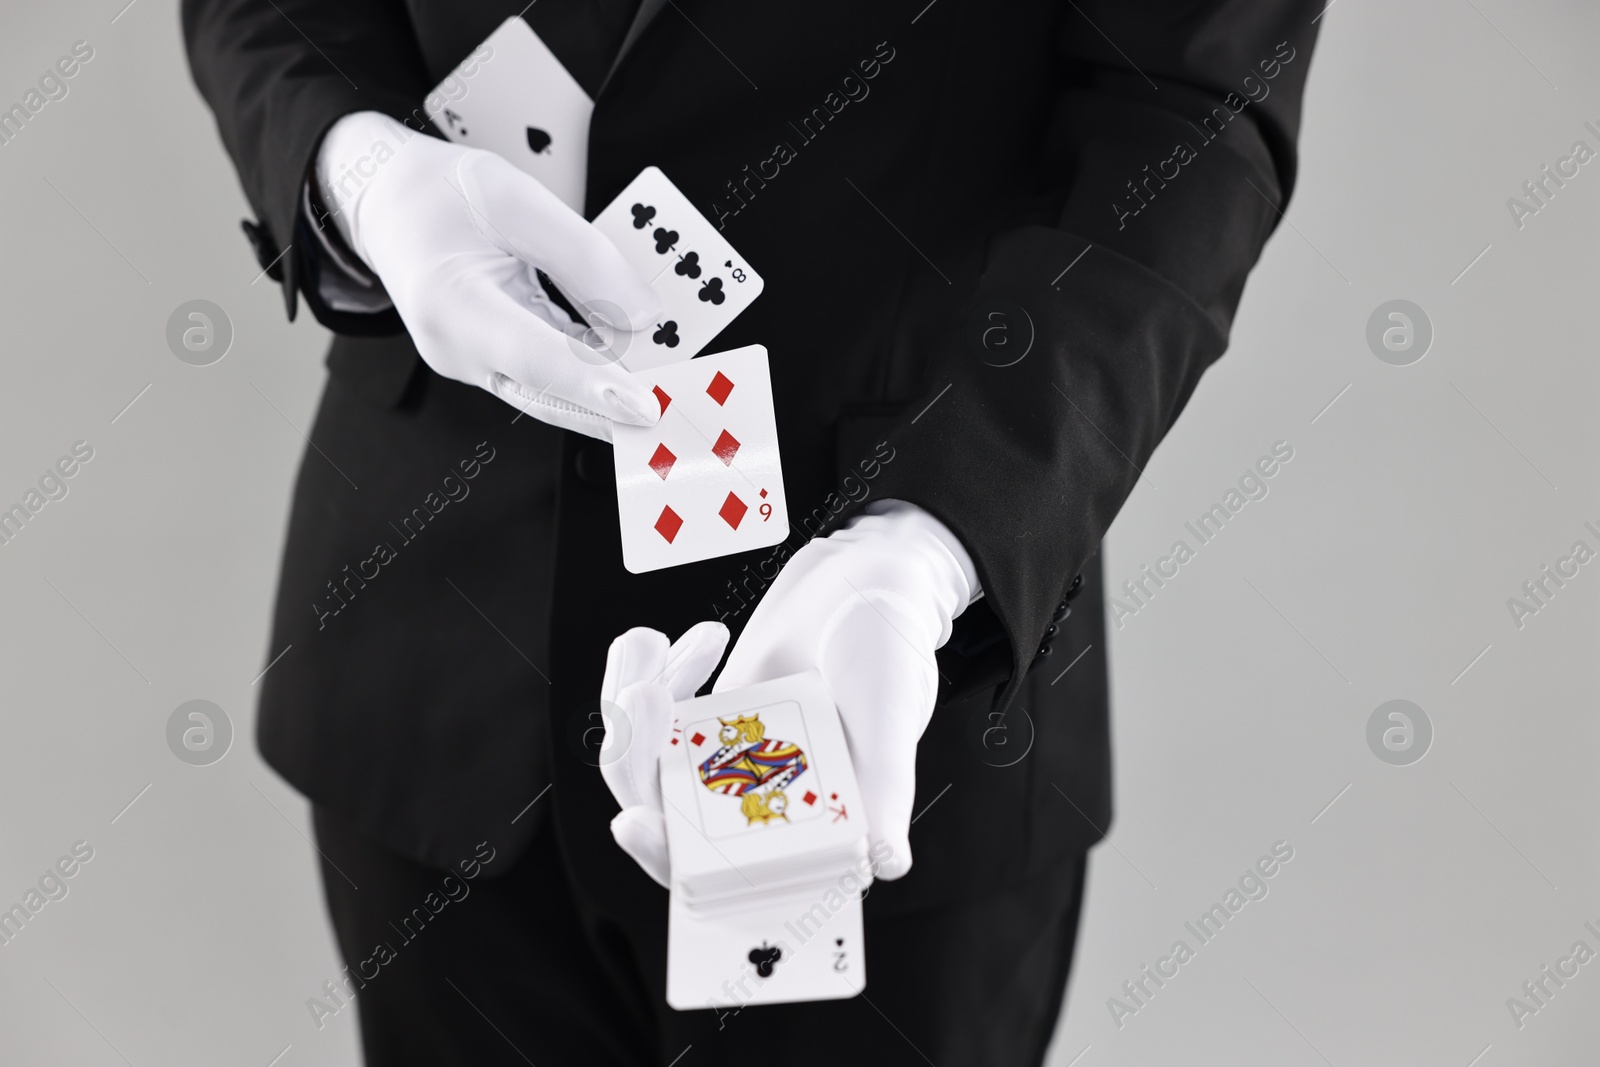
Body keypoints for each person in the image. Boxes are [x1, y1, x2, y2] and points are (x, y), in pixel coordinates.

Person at [182, 2, 1319, 1063]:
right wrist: (363, 171)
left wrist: (934, 537)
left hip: (892, 681)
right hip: (434, 634)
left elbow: (1189, 117)